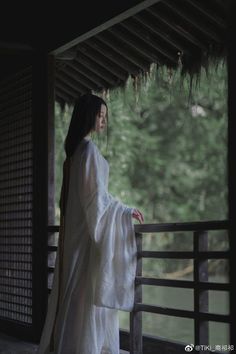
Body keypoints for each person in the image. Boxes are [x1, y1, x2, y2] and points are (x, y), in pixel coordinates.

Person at [37, 93, 144, 354]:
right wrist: (124, 211)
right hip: (84, 238)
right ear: (90, 117)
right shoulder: (88, 151)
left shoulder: (75, 153)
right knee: (85, 300)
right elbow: (96, 201)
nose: (104, 121)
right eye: (101, 116)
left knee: (75, 299)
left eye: (105, 117)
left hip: (74, 235)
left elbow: (94, 198)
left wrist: (119, 209)